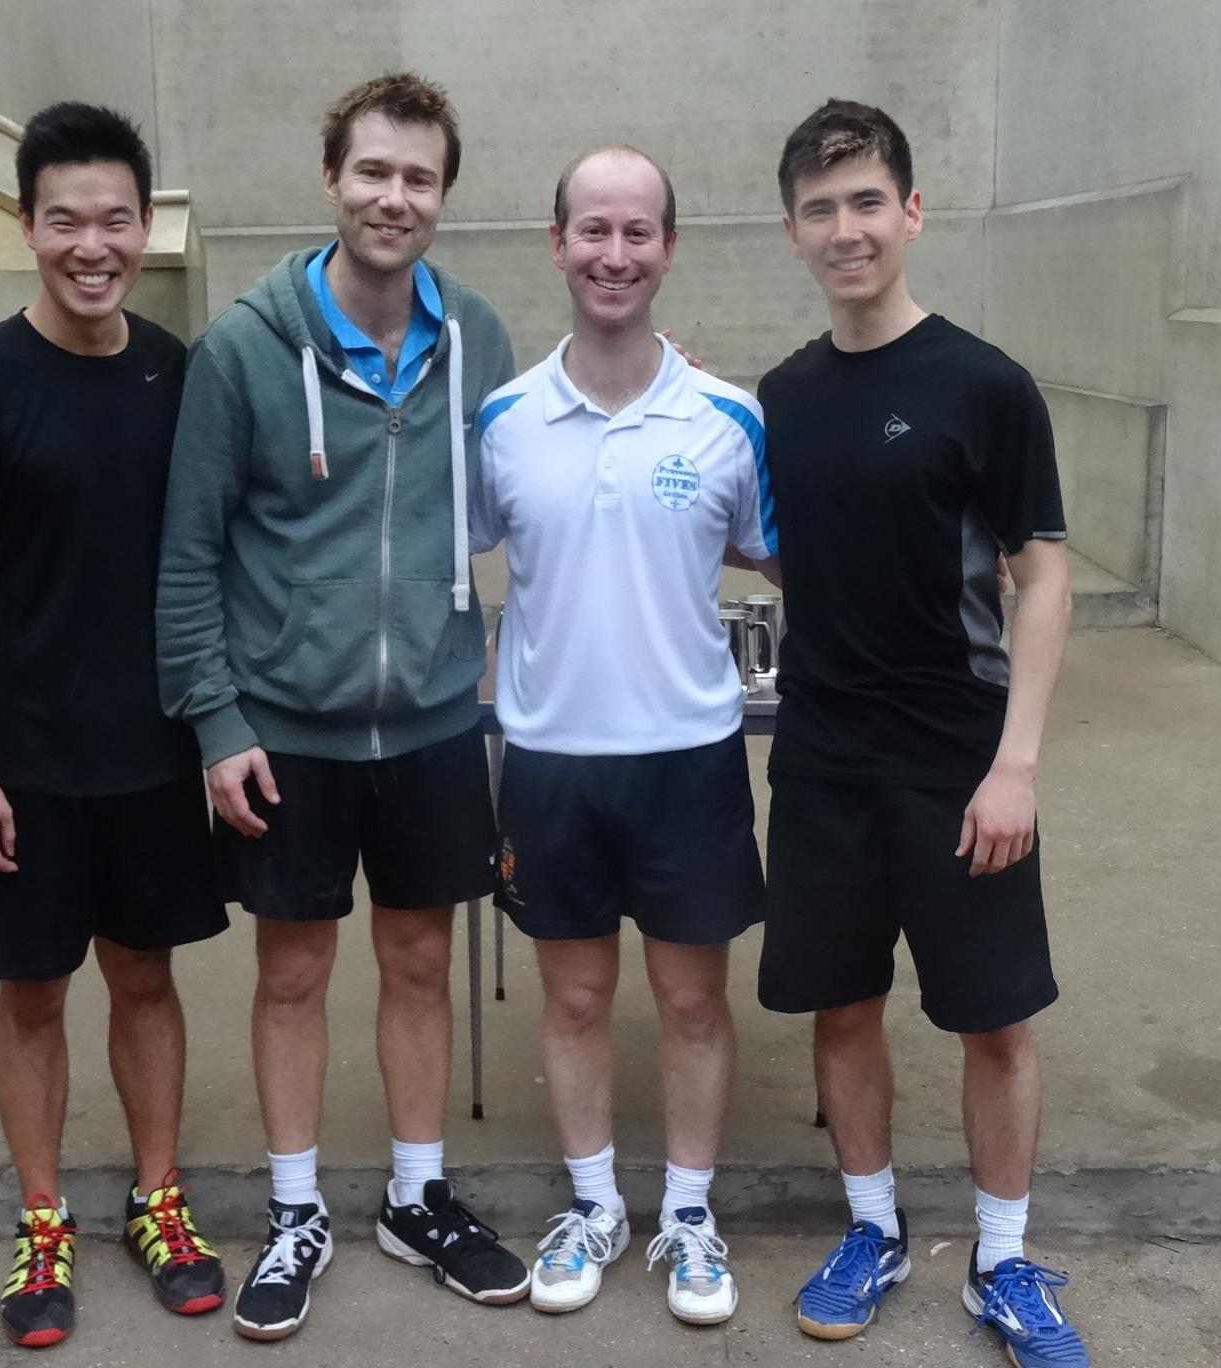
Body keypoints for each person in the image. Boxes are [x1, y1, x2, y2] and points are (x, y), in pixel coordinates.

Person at [156, 72, 529, 1342]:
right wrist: (215, 721)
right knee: (295, 971)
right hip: (286, 730)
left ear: (441, 197)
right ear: (331, 178)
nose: (394, 196)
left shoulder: (479, 335)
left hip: (427, 721)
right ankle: (300, 1208)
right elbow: (189, 553)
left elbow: (518, 493)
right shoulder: (245, 350)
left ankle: (417, 1197)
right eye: (373, 170)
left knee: (420, 959)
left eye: (419, 178)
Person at [755, 99, 1087, 1367]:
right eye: (822, 209)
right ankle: (874, 1228)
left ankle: (1004, 1261)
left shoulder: (984, 384)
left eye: (867, 202)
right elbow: (819, 559)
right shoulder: (786, 393)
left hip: (961, 763)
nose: (848, 230)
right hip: (826, 761)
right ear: (793, 230)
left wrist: (1017, 764)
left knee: (992, 1019)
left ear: (911, 210)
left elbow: (1040, 574)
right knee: (841, 1009)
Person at [0, 102, 228, 1349]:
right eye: (65, 220)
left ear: (148, 225)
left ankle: (158, 1197)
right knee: (34, 994)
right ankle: (43, 1222)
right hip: (21, 771)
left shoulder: (178, 375)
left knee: (146, 978)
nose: (94, 244)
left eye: (117, 220)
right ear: (29, 225)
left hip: (151, 756)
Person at [472, 145, 778, 1326]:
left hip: (690, 757)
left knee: (695, 1003)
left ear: (669, 247)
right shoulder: (503, 422)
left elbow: (783, 548)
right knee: (579, 1001)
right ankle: (596, 1205)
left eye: (637, 232)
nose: (614, 254)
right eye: (591, 231)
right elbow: (461, 557)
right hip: (548, 761)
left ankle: (688, 1217)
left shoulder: (728, 417)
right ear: (556, 244)